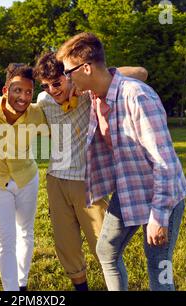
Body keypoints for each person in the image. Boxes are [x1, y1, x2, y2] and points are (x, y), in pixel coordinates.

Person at [56, 32, 186, 291]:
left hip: (163, 195)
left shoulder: (137, 97)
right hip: (129, 189)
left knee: (158, 264)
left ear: (86, 68)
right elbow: (127, 72)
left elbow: (166, 163)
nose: (66, 78)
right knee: (106, 251)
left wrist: (159, 217)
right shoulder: (95, 94)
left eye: (68, 71)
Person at [33, 51, 148, 291]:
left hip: (88, 181)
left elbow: (141, 73)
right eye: (46, 85)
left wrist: (86, 82)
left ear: (68, 76)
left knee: (104, 244)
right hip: (56, 180)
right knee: (67, 245)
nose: (53, 90)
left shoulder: (87, 92)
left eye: (57, 82)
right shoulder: (44, 100)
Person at [0, 63, 47, 291]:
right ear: (6, 89)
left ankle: (22, 284)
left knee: (25, 232)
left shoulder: (36, 113)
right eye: (18, 90)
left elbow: (63, 113)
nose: (23, 97)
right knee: (5, 241)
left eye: (29, 92)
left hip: (26, 179)